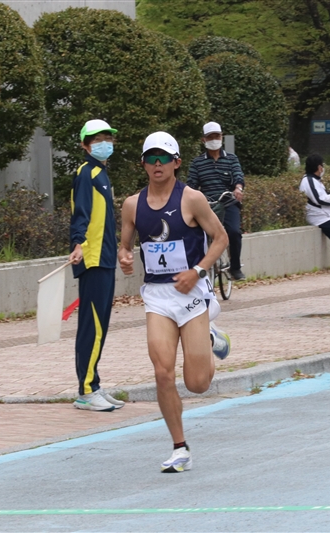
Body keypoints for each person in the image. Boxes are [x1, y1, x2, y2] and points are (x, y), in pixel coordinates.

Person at [119, 131, 231, 473]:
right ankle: (180, 448)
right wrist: (124, 257)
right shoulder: (132, 205)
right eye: (151, 158)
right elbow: (125, 245)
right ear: (143, 164)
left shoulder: (192, 199)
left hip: (192, 295)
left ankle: (211, 338)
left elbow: (220, 238)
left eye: (164, 158)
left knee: (197, 384)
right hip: (158, 297)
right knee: (163, 373)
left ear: (176, 162)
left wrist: (197, 270)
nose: (157, 164)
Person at [69, 119, 125, 412]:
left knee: (100, 325)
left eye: (107, 137)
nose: (104, 142)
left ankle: (94, 384)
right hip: (91, 259)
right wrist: (77, 243)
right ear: (85, 145)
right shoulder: (86, 173)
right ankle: (86, 390)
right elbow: (80, 212)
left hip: (104, 259)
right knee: (92, 327)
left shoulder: (101, 173)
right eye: (97, 139)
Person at [187, 122, 246, 280]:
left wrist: (238, 188)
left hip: (228, 202)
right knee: (199, 236)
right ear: (204, 140)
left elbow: (238, 176)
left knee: (233, 232)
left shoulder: (231, 159)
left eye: (217, 136)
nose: (214, 139)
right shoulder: (197, 163)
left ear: (222, 137)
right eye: (210, 137)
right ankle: (202, 267)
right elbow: (191, 184)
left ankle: (235, 267)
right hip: (207, 205)